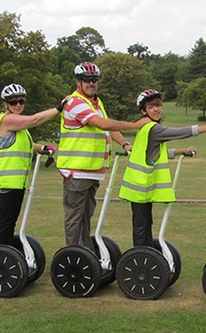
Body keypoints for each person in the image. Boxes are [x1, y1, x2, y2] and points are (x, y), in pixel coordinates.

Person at [57, 62, 151, 250]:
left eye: (95, 80)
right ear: (78, 81)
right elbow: (102, 124)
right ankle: (74, 257)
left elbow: (108, 127)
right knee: (75, 220)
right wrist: (135, 125)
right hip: (77, 171)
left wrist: (125, 144)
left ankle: (86, 255)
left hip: (92, 172)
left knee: (85, 218)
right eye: (88, 80)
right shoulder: (75, 102)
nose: (92, 83)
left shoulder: (96, 103)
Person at [118, 89, 206, 247]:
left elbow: (155, 154)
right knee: (142, 227)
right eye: (151, 107)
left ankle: (145, 254)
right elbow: (179, 132)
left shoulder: (148, 128)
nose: (156, 109)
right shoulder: (154, 129)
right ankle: (141, 261)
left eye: (158, 105)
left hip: (141, 187)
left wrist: (179, 152)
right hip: (140, 188)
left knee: (145, 224)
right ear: (143, 111)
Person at [0, 83, 60, 246]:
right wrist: (58, 108)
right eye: (13, 102)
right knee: (4, 222)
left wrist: (42, 148)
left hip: (16, 182)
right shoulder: (7, 120)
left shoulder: (18, 127)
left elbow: (25, 144)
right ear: (5, 104)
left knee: (9, 223)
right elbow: (34, 120)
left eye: (21, 101)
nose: (18, 105)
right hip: (4, 182)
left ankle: (6, 254)